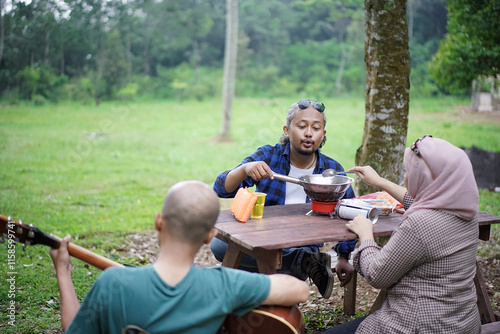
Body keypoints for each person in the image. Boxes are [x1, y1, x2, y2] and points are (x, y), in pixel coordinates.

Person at [50, 181, 310, 334]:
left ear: (158, 222)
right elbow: (298, 291)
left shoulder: (112, 283)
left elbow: (73, 328)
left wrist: (63, 272)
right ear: (210, 236)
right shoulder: (224, 285)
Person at [324, 135, 481, 333]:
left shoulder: (419, 225)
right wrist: (381, 182)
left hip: (419, 326)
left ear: (422, 178)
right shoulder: (465, 212)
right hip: (462, 323)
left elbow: (376, 274)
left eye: (408, 172)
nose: (406, 178)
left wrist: (365, 235)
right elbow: (420, 201)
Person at [211, 99, 357, 299]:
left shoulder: (331, 171)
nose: (308, 133)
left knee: (261, 261)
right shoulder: (268, 156)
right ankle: (302, 263)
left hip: (302, 242)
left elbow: (351, 210)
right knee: (219, 245)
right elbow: (221, 188)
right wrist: (245, 169)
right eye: (302, 126)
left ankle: (291, 267)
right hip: (263, 237)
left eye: (316, 128)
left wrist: (342, 256)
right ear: (287, 130)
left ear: (323, 134)